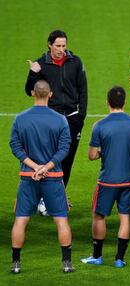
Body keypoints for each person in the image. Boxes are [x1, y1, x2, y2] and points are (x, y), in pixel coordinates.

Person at [80, 86, 130, 268]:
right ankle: (119, 259)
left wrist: (105, 151)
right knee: (125, 217)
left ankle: (97, 256)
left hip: (107, 181)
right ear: (124, 102)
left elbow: (92, 155)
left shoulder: (100, 125)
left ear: (107, 102)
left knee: (99, 216)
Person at [10, 80, 73, 274]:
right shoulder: (60, 119)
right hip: (53, 176)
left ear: (32, 93)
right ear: (50, 95)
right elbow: (64, 148)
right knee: (61, 220)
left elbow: (15, 146)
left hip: (28, 176)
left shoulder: (20, 119)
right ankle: (67, 264)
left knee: (21, 220)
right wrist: (45, 167)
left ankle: (16, 264)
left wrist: (34, 167)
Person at [25, 30, 87, 196]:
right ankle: (43, 197)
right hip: (51, 119)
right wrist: (33, 73)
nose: (61, 49)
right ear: (49, 45)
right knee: (48, 158)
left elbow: (83, 90)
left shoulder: (76, 62)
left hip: (73, 119)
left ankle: (58, 195)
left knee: (68, 160)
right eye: (58, 46)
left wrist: (81, 116)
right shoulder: (41, 64)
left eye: (64, 46)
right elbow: (28, 91)